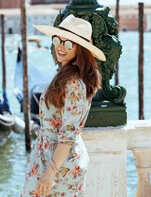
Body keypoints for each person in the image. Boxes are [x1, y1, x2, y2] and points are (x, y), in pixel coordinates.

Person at [21, 14, 105, 197]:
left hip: (58, 164)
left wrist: (49, 175)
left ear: (80, 50)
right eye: (58, 40)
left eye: (69, 44)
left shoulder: (74, 84)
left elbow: (68, 134)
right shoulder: (65, 76)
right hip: (50, 157)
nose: (60, 47)